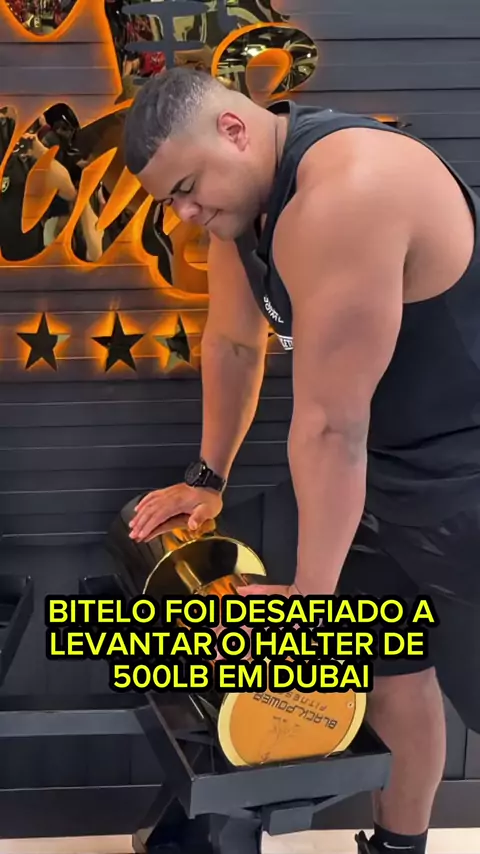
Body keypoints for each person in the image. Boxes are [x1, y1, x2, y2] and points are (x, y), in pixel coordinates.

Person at [122, 66, 480, 854]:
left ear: (234, 130)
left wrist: (308, 611)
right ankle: (398, 847)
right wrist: (206, 479)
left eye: (187, 189)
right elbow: (232, 341)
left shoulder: (349, 190)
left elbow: (327, 428)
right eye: (170, 202)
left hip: (464, 479)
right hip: (383, 475)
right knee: (391, 669)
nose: (185, 214)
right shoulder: (245, 208)